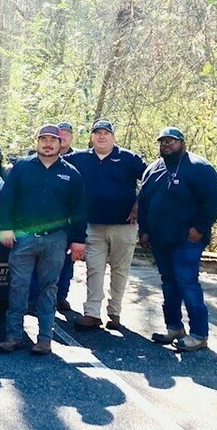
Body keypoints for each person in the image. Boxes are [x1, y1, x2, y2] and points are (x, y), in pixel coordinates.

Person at [0, 124, 86, 355]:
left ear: (60, 143)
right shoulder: (21, 168)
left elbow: (80, 209)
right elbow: (6, 199)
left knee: (48, 289)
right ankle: (14, 337)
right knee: (18, 287)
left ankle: (45, 339)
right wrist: (6, 227)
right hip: (23, 239)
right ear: (37, 141)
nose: (48, 144)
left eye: (52, 140)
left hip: (56, 241)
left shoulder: (71, 173)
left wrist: (78, 240)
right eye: (43, 139)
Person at [138, 127, 217, 352]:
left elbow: (215, 198)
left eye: (171, 141)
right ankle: (174, 327)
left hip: (187, 239)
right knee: (168, 283)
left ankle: (199, 334)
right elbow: (144, 201)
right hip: (160, 239)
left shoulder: (199, 167)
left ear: (182, 143)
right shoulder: (152, 169)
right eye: (163, 141)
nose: (166, 144)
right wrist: (144, 230)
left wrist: (200, 227)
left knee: (187, 282)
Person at [65, 119, 147, 331]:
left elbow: (151, 180)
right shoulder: (80, 158)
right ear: (91, 137)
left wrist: (140, 203)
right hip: (92, 225)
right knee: (94, 269)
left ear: (113, 137)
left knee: (120, 270)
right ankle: (91, 313)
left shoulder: (129, 158)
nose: (102, 137)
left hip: (124, 225)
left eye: (106, 133)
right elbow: (54, 163)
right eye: (97, 133)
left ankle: (115, 312)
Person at [27, 121, 77, 314]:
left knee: (65, 264)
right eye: (60, 133)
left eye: (65, 134)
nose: (62, 137)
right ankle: (32, 299)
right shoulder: (30, 162)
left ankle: (61, 296)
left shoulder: (77, 160)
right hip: (34, 227)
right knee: (34, 266)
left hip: (65, 225)